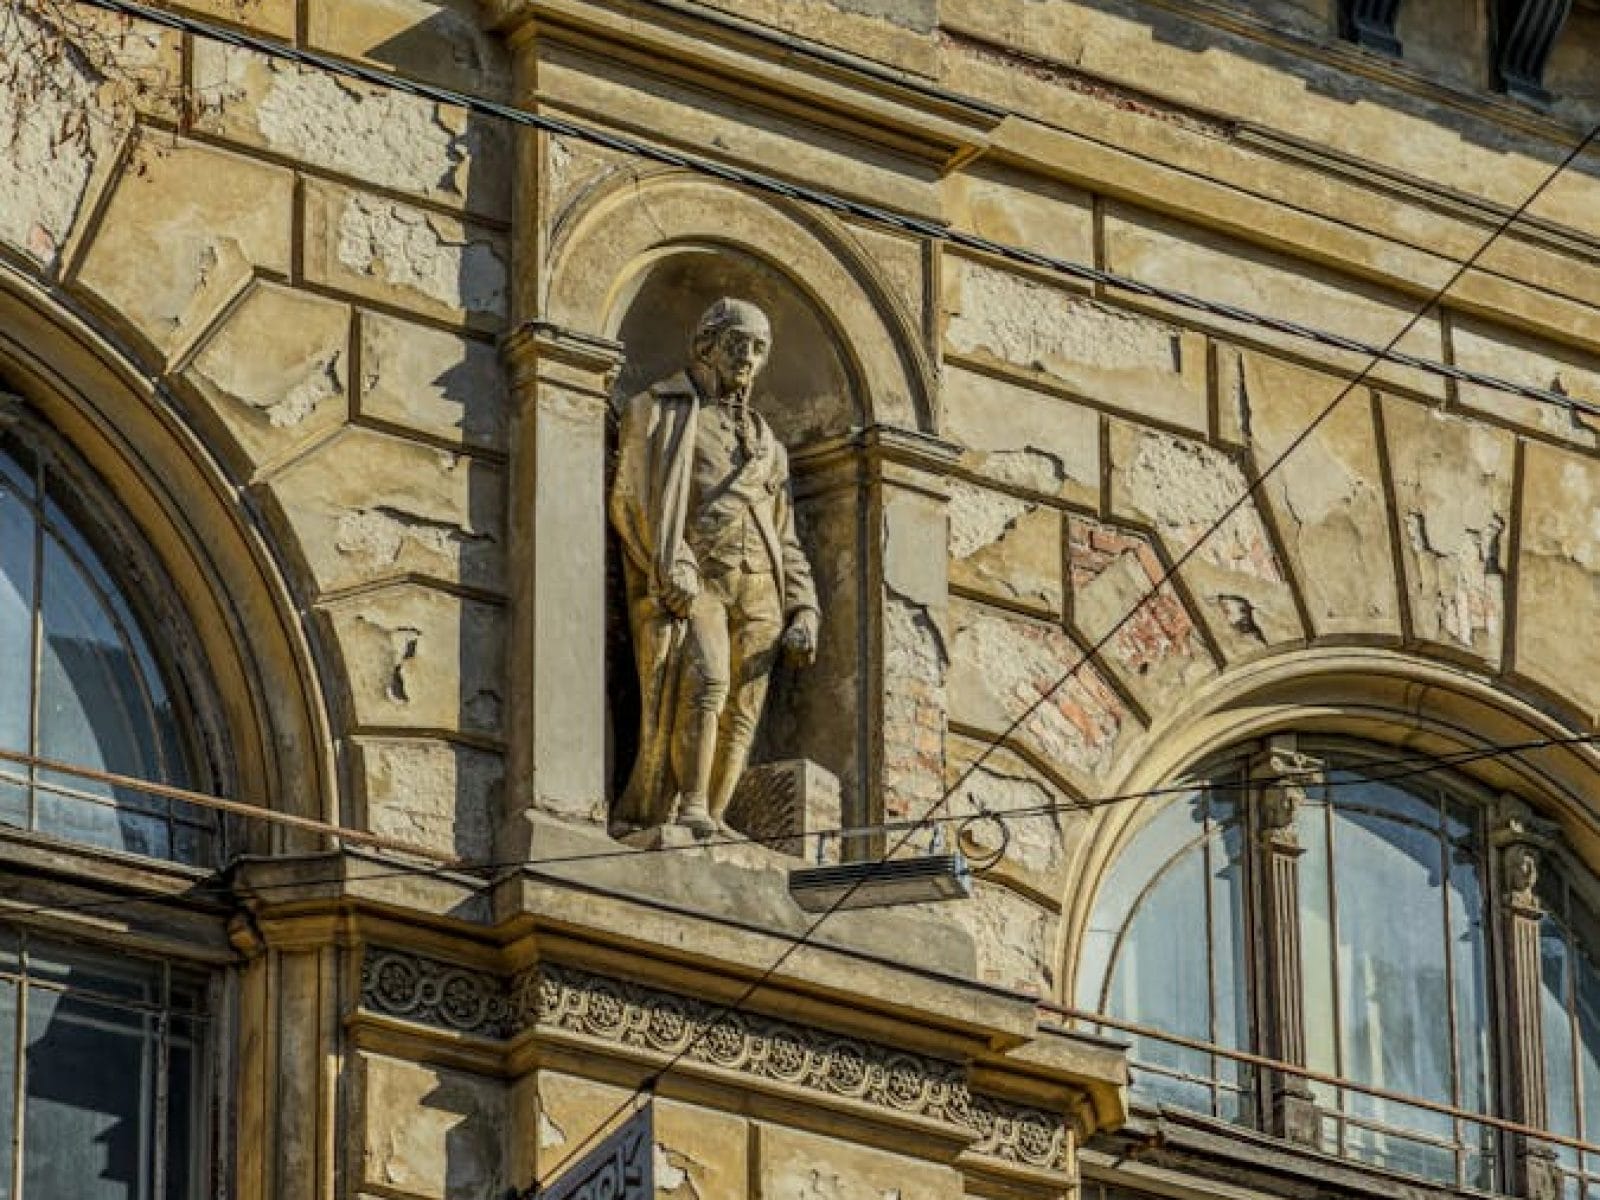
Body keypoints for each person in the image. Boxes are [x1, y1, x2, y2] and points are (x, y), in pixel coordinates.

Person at [609, 298, 820, 839]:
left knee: (743, 707)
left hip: (760, 590)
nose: (748, 357)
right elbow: (631, 497)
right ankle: (689, 807)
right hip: (695, 580)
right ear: (706, 345)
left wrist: (804, 607)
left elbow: (786, 536)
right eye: (737, 344)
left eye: (758, 348)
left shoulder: (769, 446)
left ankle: (718, 815)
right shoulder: (659, 411)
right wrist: (672, 557)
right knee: (707, 678)